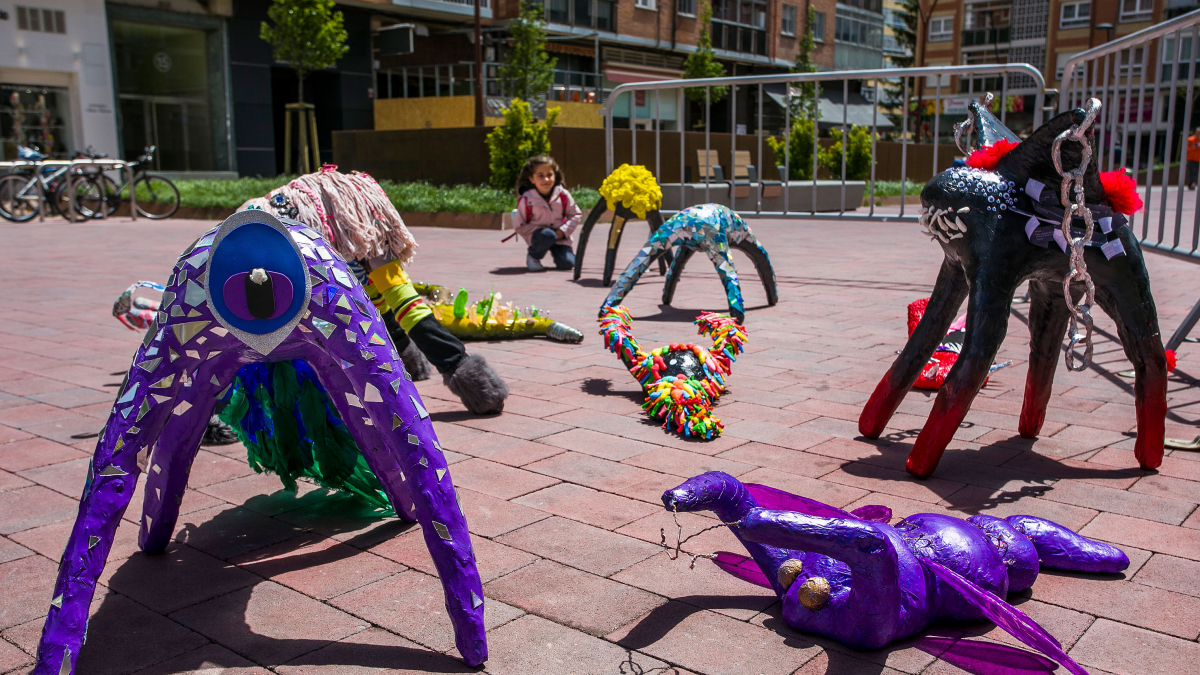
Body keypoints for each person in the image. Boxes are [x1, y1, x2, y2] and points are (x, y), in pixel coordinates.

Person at [513, 155, 582, 272]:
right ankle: (533, 256)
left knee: (568, 264)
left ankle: (561, 251)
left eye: (549, 175)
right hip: (539, 236)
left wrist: (563, 231)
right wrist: (543, 232)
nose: (546, 180)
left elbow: (575, 214)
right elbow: (519, 226)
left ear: (555, 175)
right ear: (531, 179)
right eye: (540, 176)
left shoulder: (563, 195)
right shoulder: (526, 199)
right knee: (547, 235)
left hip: (560, 236)